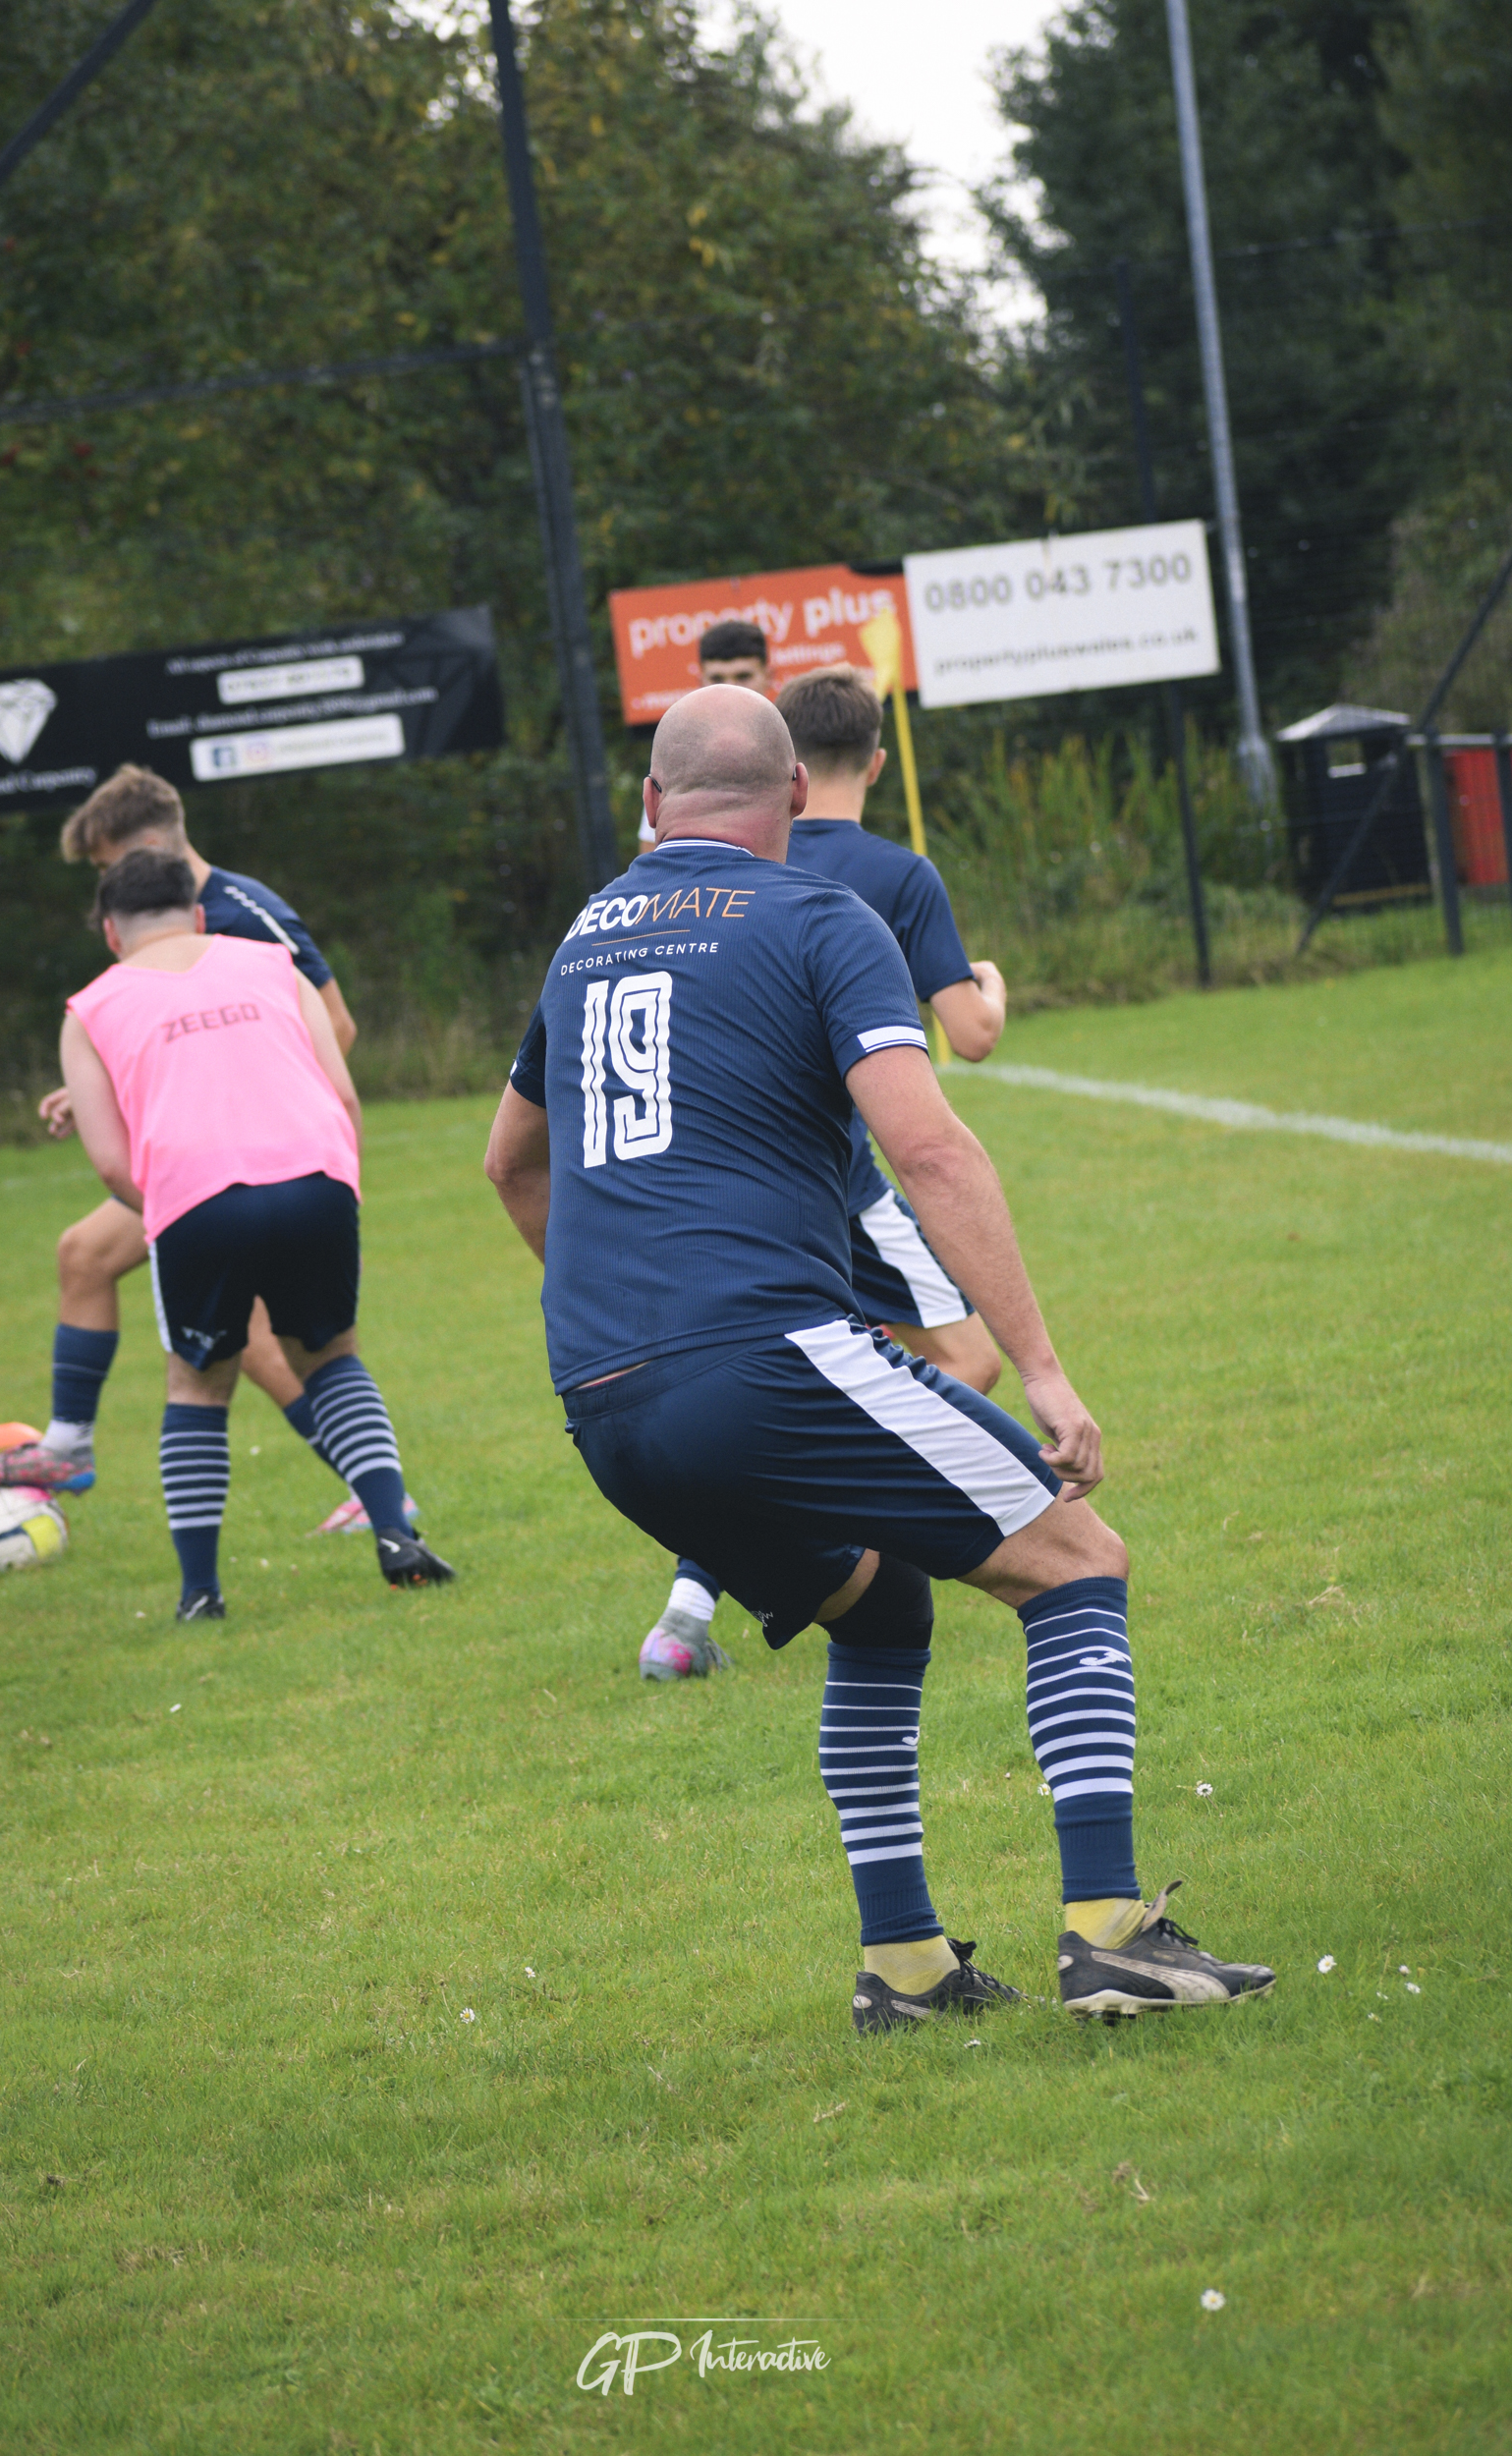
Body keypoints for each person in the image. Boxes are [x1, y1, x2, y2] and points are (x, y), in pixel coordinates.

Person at [484, 685, 1272, 2029]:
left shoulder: (583, 940)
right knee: (1077, 1559)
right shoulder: (818, 914)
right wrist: (1041, 1372)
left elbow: (510, 1164)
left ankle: (904, 1968)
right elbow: (928, 1148)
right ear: (796, 795)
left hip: (601, 1400)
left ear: (649, 807)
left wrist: (621, 1315)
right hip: (756, 1358)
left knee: (878, 1605)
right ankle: (1111, 1932)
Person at [639, 662, 1008, 1679]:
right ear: (873, 762)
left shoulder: (714, 871)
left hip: (726, 1184)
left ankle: (687, 1605)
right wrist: (989, 985)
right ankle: (856, 1542)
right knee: (964, 1359)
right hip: (842, 1174)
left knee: (785, 1377)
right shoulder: (896, 873)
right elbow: (967, 1036)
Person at [0, 764, 414, 1535]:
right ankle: (69, 1443)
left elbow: (333, 1025)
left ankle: (378, 1497)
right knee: (85, 1257)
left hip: (246, 1151)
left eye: (106, 868)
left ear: (139, 848)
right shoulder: (176, 922)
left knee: (251, 1346)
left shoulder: (241, 911)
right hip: (203, 1150)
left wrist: (237, 1086)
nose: (107, 885)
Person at [58, 848, 452, 1618]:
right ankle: (394, 1536)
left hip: (196, 1201)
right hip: (316, 1179)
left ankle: (201, 1593)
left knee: (197, 1385)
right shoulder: (273, 963)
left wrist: (179, 1210)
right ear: (198, 914)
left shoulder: (90, 1009)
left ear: (111, 933)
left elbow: (110, 1163)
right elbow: (340, 1091)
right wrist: (342, 1187)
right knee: (332, 1356)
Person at [637, 619, 774, 851]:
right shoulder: (677, 757)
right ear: (700, 681)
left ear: (768, 676)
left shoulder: (796, 748)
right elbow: (652, 856)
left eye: (743, 676)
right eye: (717, 678)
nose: (729, 690)